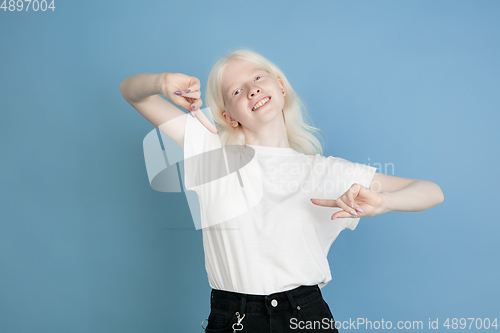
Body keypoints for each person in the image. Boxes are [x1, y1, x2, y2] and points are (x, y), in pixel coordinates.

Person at [119, 48, 444, 332]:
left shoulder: (328, 170)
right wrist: (161, 82)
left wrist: (384, 201)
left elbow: (430, 191)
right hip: (234, 318)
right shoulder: (211, 152)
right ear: (227, 118)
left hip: (306, 316)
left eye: (258, 77)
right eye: (236, 91)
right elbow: (131, 92)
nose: (251, 90)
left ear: (281, 85)